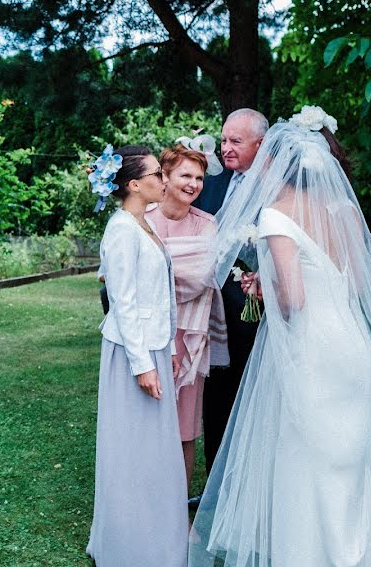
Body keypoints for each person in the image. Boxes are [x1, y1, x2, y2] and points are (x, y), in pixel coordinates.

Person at [189, 108, 371, 566]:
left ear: (279, 166)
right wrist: (277, 281)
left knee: (303, 457)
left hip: (308, 349)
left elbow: (293, 300)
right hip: (350, 345)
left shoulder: (276, 217)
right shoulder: (344, 212)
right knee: (346, 462)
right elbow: (354, 285)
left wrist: (268, 283)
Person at [86, 145, 187, 567]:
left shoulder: (143, 224)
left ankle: (156, 534)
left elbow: (159, 293)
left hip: (154, 346)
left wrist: (169, 346)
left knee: (154, 450)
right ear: (133, 184)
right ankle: (131, 544)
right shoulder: (122, 230)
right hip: (132, 355)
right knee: (132, 449)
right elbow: (123, 301)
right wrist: (143, 364)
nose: (165, 181)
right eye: (157, 175)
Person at [145, 142, 228, 494]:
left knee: (184, 430)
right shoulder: (143, 220)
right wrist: (171, 271)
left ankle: (177, 511)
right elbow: (131, 282)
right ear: (165, 176)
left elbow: (202, 277)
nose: (193, 183)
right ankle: (144, 507)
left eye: (199, 177)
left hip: (190, 339)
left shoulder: (207, 224)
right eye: (185, 175)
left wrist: (162, 269)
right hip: (149, 336)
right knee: (147, 425)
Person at [192, 108, 269, 475]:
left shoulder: (276, 188)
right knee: (215, 395)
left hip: (256, 310)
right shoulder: (211, 183)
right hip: (211, 310)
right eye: (223, 140)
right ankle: (213, 487)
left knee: (253, 396)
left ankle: (249, 483)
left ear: (261, 143)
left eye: (235, 141)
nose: (225, 148)